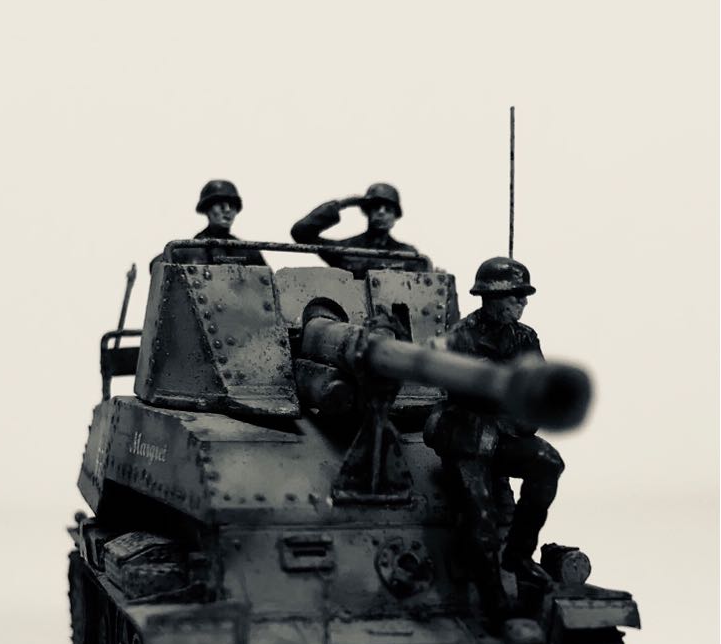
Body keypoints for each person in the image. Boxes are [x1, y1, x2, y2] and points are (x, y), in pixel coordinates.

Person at [425, 257, 564, 594]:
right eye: (516, 295)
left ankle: (518, 555)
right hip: (467, 438)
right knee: (481, 521)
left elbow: (537, 387)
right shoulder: (460, 338)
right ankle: (492, 595)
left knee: (548, 462)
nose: (523, 303)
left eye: (523, 296)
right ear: (492, 297)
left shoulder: (524, 337)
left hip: (506, 434)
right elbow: (457, 389)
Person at [290, 183, 431, 279]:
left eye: (388, 209)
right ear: (367, 212)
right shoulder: (346, 249)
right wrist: (343, 204)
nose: (381, 212)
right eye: (375, 207)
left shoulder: (408, 255)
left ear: (395, 217)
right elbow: (300, 232)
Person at [150, 179, 265, 272]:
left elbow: (269, 282)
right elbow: (156, 266)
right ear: (207, 209)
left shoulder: (249, 252)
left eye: (232, 205)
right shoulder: (190, 250)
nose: (227, 210)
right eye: (220, 204)